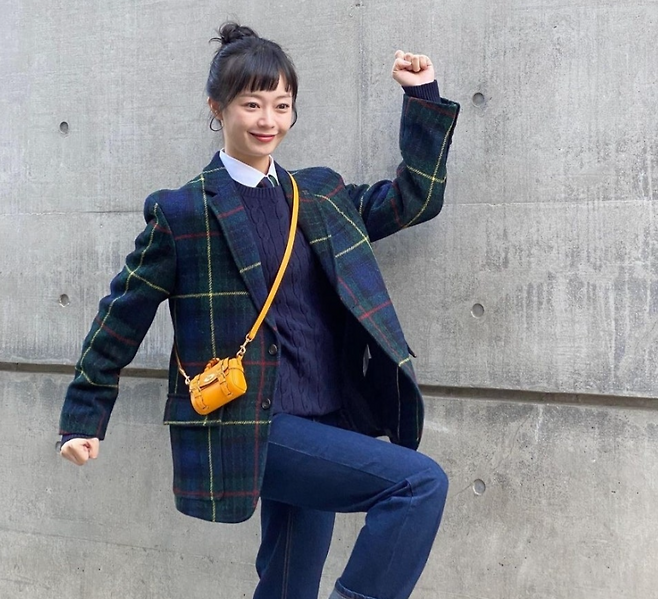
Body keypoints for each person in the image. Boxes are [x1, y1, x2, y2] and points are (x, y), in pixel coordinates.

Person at [59, 21, 459, 599]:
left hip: (325, 416)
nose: (268, 119)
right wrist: (83, 417)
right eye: (251, 104)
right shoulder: (184, 211)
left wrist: (421, 97)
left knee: (289, 582)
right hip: (249, 424)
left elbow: (413, 199)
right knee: (418, 484)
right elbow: (121, 316)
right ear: (217, 108)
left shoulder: (318, 196)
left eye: (281, 105)